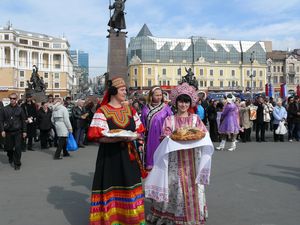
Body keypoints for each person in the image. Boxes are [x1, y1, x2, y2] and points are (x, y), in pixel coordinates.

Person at [145, 82, 214, 224]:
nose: (183, 105)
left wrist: (195, 136)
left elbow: (204, 134)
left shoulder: (195, 119)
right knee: (175, 186)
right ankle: (173, 215)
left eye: (186, 101)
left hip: (193, 159)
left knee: (193, 186)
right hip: (175, 160)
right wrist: (171, 137)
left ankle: (194, 214)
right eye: (181, 101)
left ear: (191, 103)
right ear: (176, 103)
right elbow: (164, 137)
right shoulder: (170, 120)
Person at [87, 77, 145, 225]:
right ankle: (112, 220)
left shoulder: (130, 110)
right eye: (122, 90)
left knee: (130, 185)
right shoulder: (102, 111)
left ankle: (131, 220)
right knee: (111, 186)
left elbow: (139, 130)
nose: (125, 92)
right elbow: (97, 136)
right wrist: (118, 138)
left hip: (129, 155)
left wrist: (134, 137)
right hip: (110, 157)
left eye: (125, 90)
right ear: (113, 92)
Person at [141, 86, 172, 170]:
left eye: (160, 95)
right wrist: (141, 137)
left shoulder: (166, 108)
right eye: (156, 95)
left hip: (162, 138)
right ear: (151, 96)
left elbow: (171, 123)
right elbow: (142, 124)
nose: (159, 97)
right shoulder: (145, 108)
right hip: (149, 138)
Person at [0, 93, 27, 170]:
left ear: (16, 99)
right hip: (8, 131)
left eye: (14, 98)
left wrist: (24, 131)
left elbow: (23, 121)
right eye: (11, 98)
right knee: (9, 148)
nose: (12, 100)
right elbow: (1, 120)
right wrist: (2, 130)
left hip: (18, 131)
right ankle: (10, 157)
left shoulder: (20, 109)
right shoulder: (4, 109)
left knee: (18, 148)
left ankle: (17, 163)